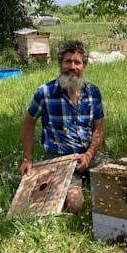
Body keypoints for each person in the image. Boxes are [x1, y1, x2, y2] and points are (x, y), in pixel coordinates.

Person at [19, 40, 105, 213]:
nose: (72, 66)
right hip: (61, 160)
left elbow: (99, 129)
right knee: (75, 203)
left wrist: (88, 155)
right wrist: (27, 158)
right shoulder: (45, 92)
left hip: (90, 156)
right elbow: (28, 123)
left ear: (84, 65)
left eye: (77, 62)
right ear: (60, 64)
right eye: (68, 61)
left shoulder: (93, 92)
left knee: (118, 188)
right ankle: (71, 186)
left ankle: (87, 180)